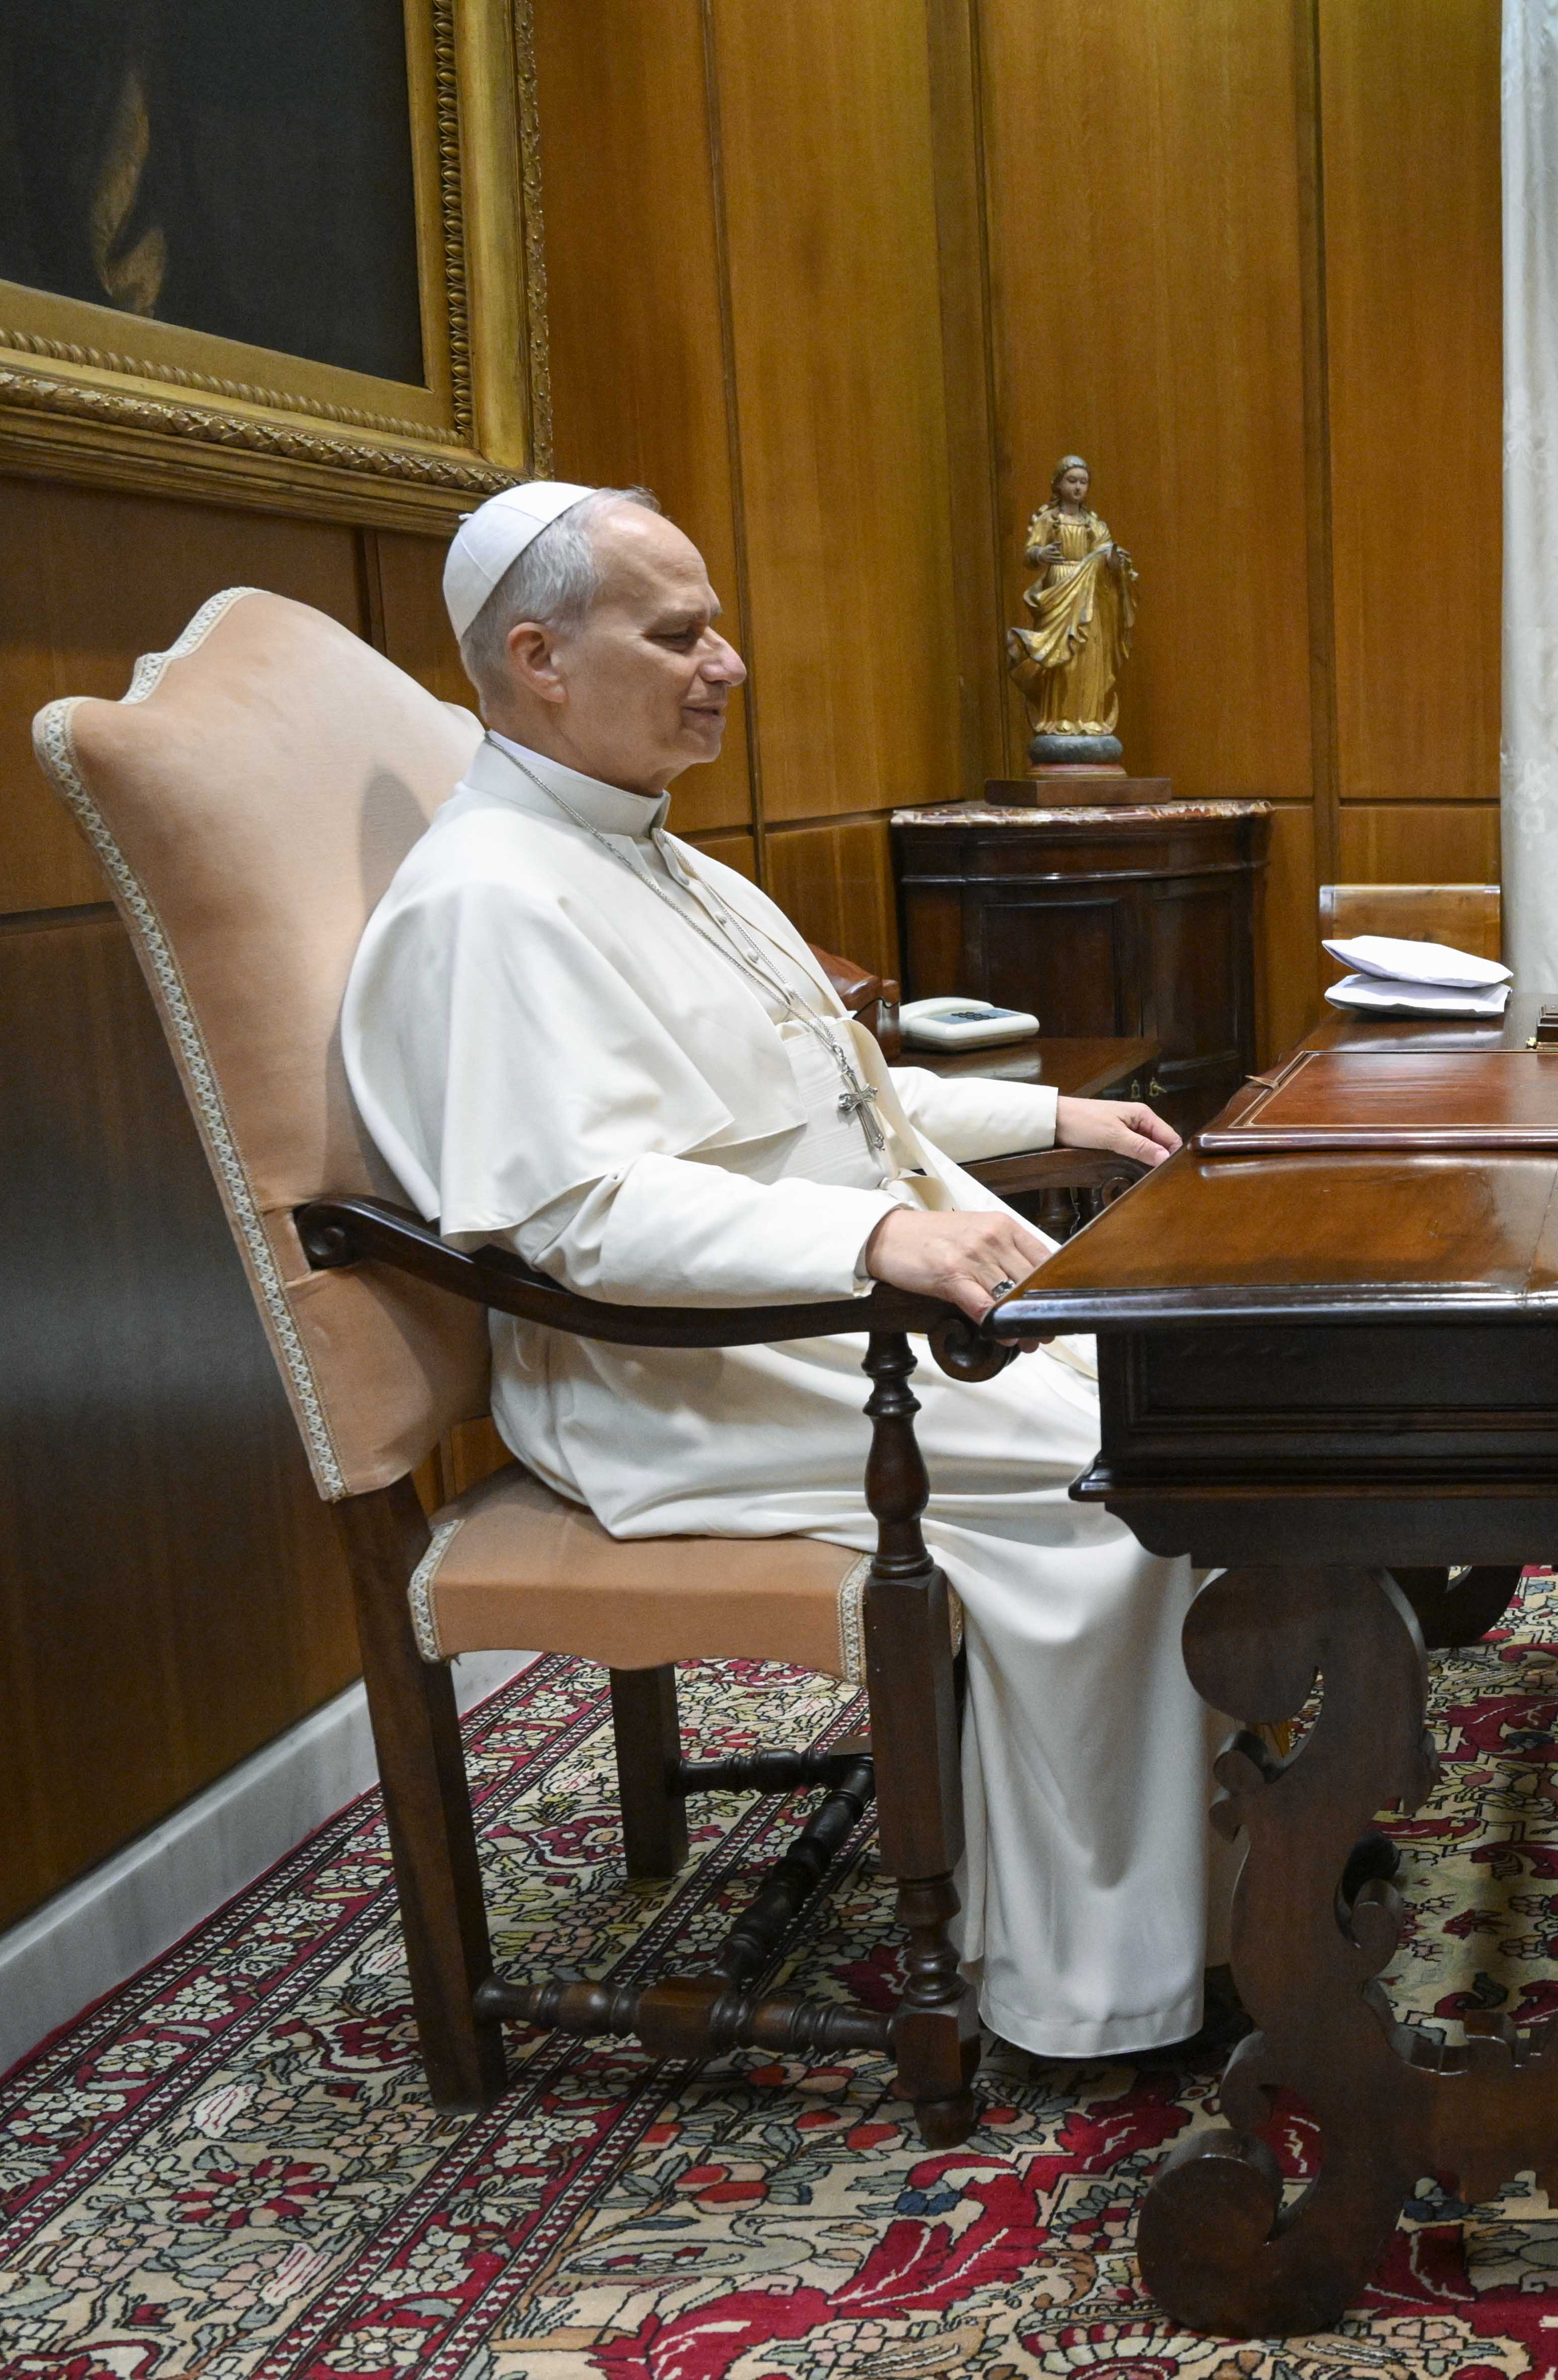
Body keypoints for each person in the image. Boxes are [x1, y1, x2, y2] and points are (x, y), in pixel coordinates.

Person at [342, 482, 1235, 2063]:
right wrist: (879, 1235)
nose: (727, 662)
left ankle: (1226, 1872)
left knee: (1205, 1406)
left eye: (716, 625)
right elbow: (578, 1215)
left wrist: (1047, 1110)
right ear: (539, 656)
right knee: (1135, 1471)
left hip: (815, 1319)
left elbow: (822, 1102)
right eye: (678, 631)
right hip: (672, 1372)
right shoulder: (490, 898)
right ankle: (1104, 1984)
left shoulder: (656, 855)